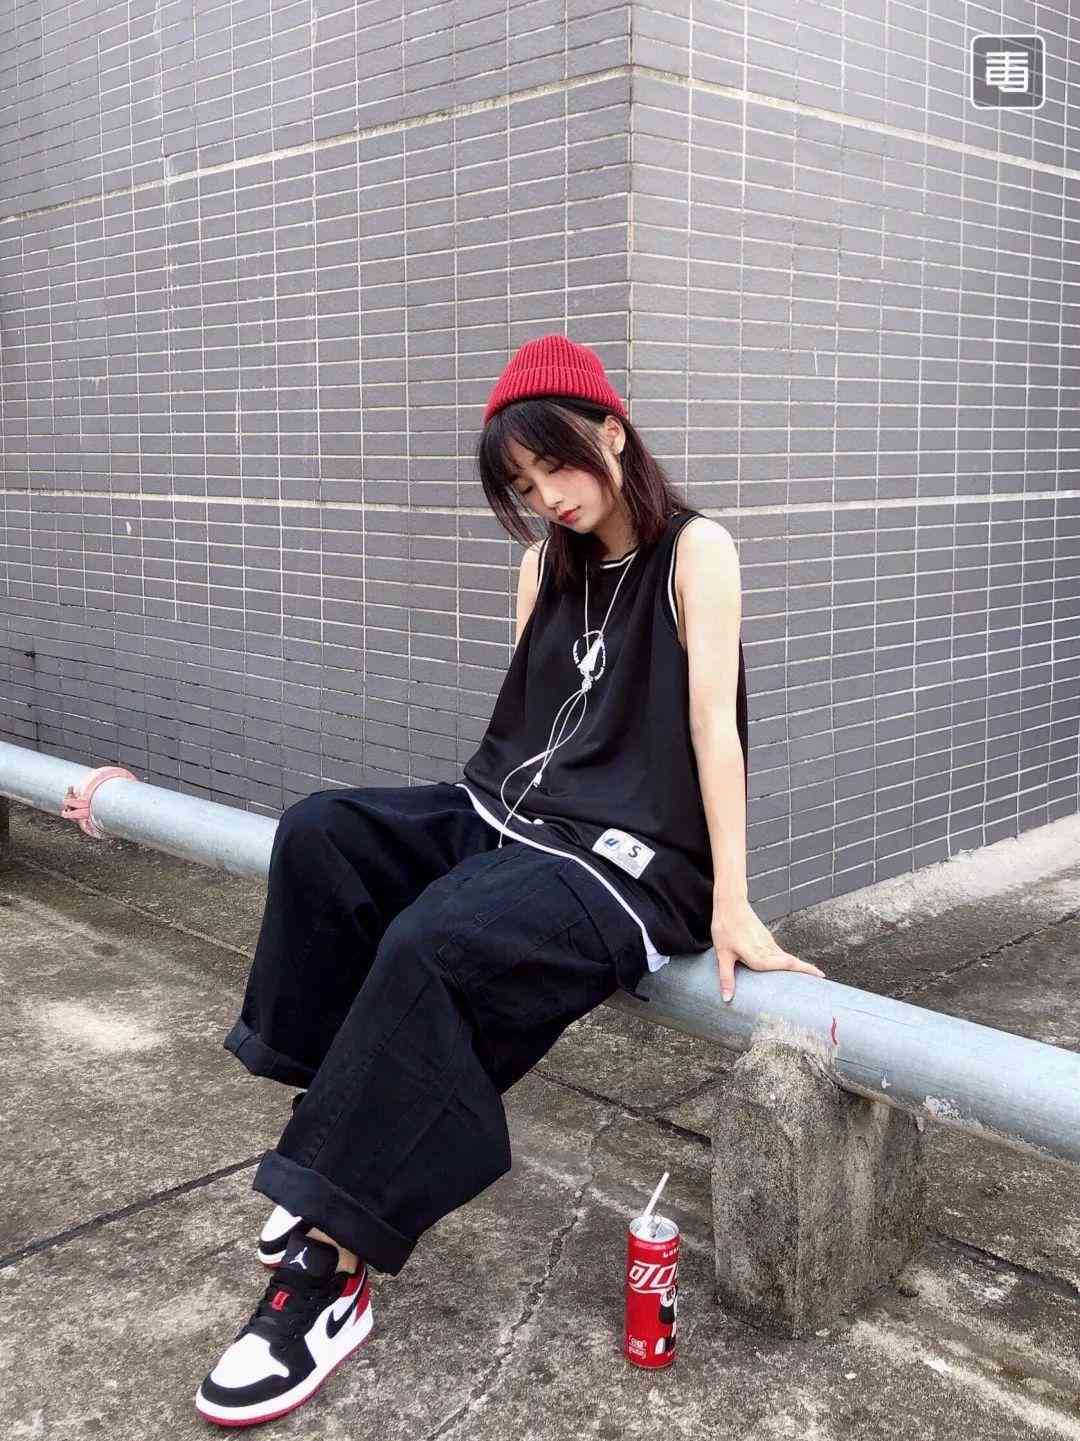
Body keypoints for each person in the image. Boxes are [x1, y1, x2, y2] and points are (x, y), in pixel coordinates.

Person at [194, 334, 826, 1427]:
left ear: (612, 433)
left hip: (626, 863)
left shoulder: (696, 550)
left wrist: (730, 898)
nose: (547, 498)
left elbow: (713, 729)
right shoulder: (543, 565)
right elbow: (537, 721)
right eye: (524, 486)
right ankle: (327, 1136)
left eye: (556, 466)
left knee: (435, 942)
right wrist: (483, 833)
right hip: (506, 814)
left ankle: (328, 1278)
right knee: (320, 836)